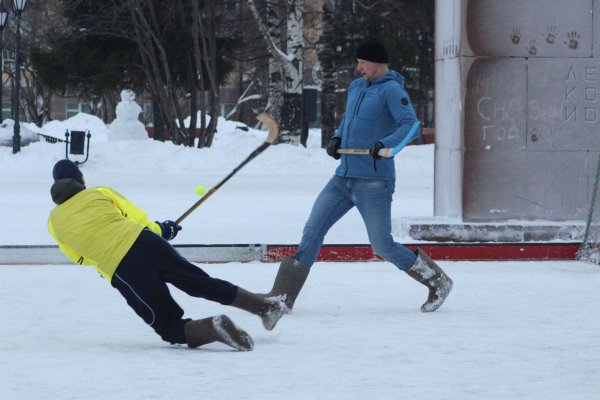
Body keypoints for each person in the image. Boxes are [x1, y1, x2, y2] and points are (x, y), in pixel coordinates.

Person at [262, 38, 453, 313]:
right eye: (358, 62)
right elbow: (346, 120)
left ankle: (438, 281)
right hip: (343, 178)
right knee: (312, 231)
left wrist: (386, 144)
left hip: (374, 182)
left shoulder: (392, 91)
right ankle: (282, 297)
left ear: (377, 63)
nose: (359, 67)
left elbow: (411, 125)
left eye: (363, 62)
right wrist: (337, 138)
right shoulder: (356, 87)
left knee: (382, 245)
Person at [48, 159, 287, 351]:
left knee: (167, 324)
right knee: (200, 283)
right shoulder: (100, 193)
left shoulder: (54, 222)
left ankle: (213, 328)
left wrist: (102, 257)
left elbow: (79, 258)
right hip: (147, 241)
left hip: (122, 267)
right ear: (80, 181)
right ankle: (264, 308)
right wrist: (164, 229)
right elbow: (137, 220)